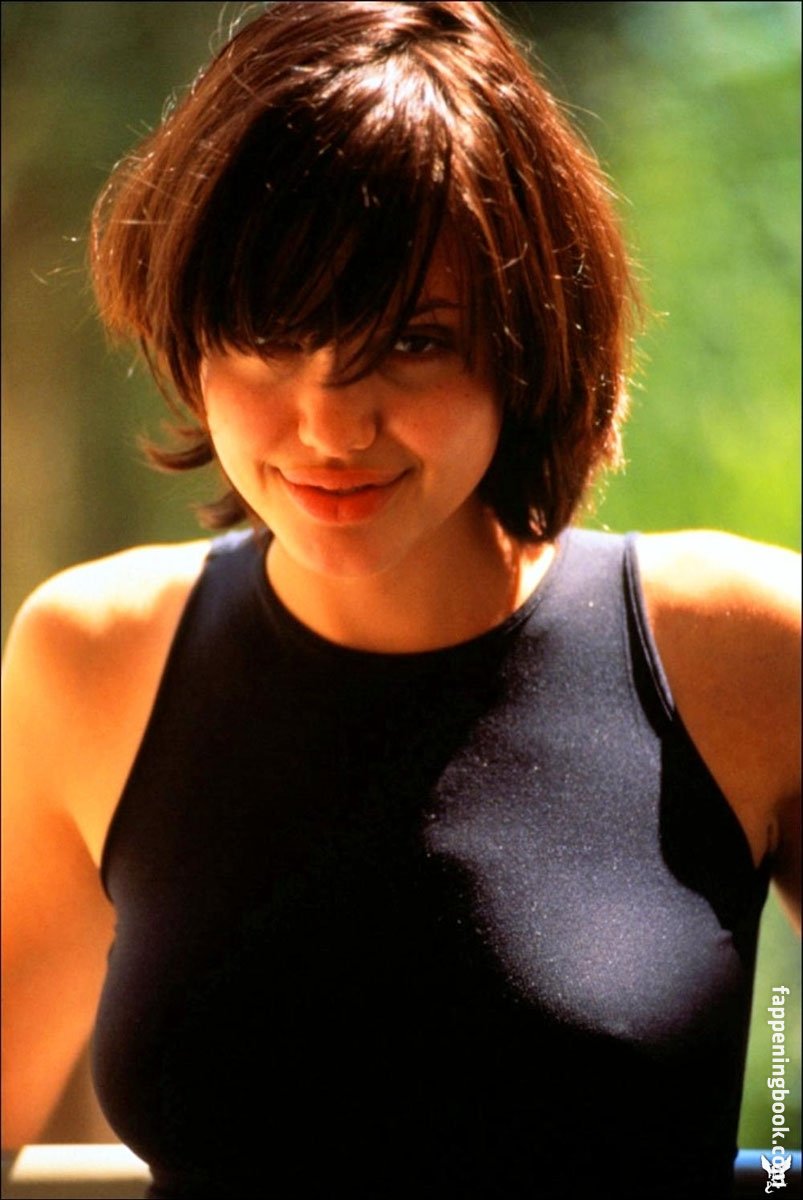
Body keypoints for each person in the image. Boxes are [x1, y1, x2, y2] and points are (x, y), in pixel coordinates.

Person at [2, 2, 799, 1197]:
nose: (330, 426)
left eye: (411, 341)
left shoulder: (743, 647)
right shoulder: (90, 657)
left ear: (526, 339)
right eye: (267, 336)